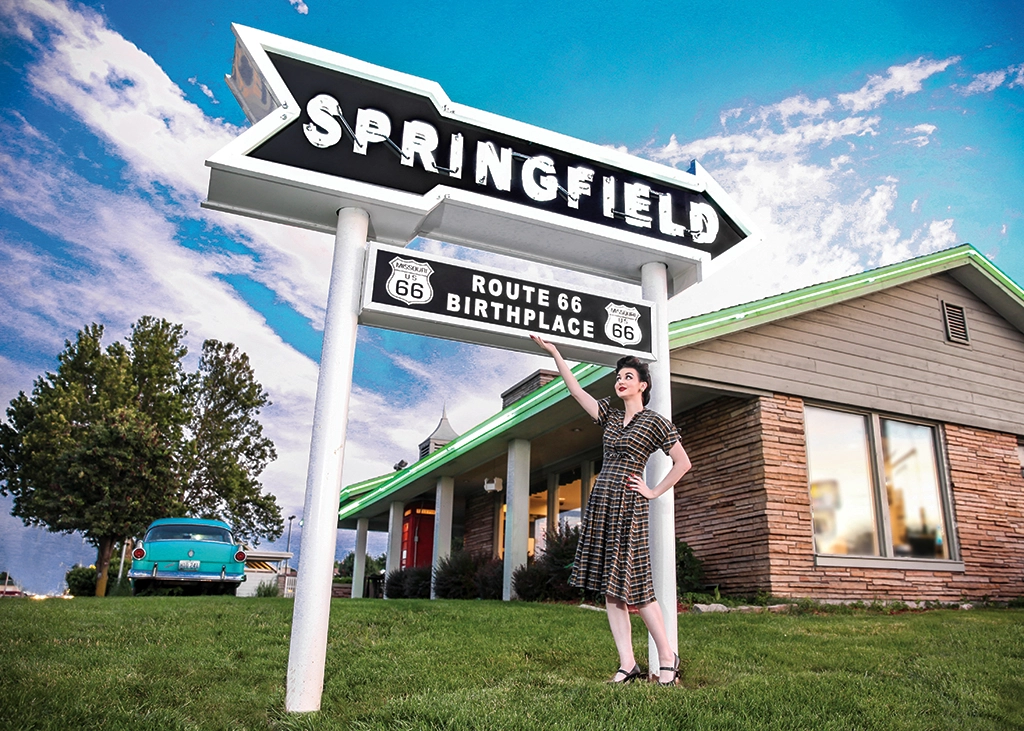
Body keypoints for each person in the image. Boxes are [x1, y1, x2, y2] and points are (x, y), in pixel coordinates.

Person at [530, 334, 692, 685]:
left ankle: (667, 656)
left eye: (628, 377)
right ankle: (628, 664)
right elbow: (576, 392)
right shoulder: (609, 415)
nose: (620, 381)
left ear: (643, 385)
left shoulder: (656, 423)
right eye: (618, 377)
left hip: (630, 504)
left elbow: (683, 463)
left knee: (637, 586)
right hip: (602, 500)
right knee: (610, 587)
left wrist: (652, 491)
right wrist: (557, 354)